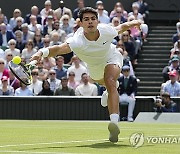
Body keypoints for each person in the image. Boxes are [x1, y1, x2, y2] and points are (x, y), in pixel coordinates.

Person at [31, 7, 141, 143]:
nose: (90, 22)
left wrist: (135, 22)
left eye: (93, 19)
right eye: (86, 19)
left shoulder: (106, 30)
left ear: (97, 21)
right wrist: (40, 53)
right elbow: (59, 49)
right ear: (81, 23)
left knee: (110, 80)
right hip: (94, 67)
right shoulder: (77, 41)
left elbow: (122, 27)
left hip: (111, 57)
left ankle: (114, 122)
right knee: (105, 82)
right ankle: (107, 89)